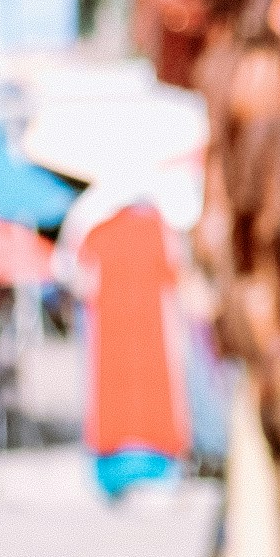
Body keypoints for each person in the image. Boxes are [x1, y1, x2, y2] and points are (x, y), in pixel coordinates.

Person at [64, 196, 190, 500]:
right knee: (155, 386)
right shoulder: (164, 226)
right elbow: (182, 280)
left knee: (112, 389)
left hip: (112, 334)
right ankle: (157, 466)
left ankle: (115, 469)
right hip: (151, 332)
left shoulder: (92, 222)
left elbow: (78, 280)